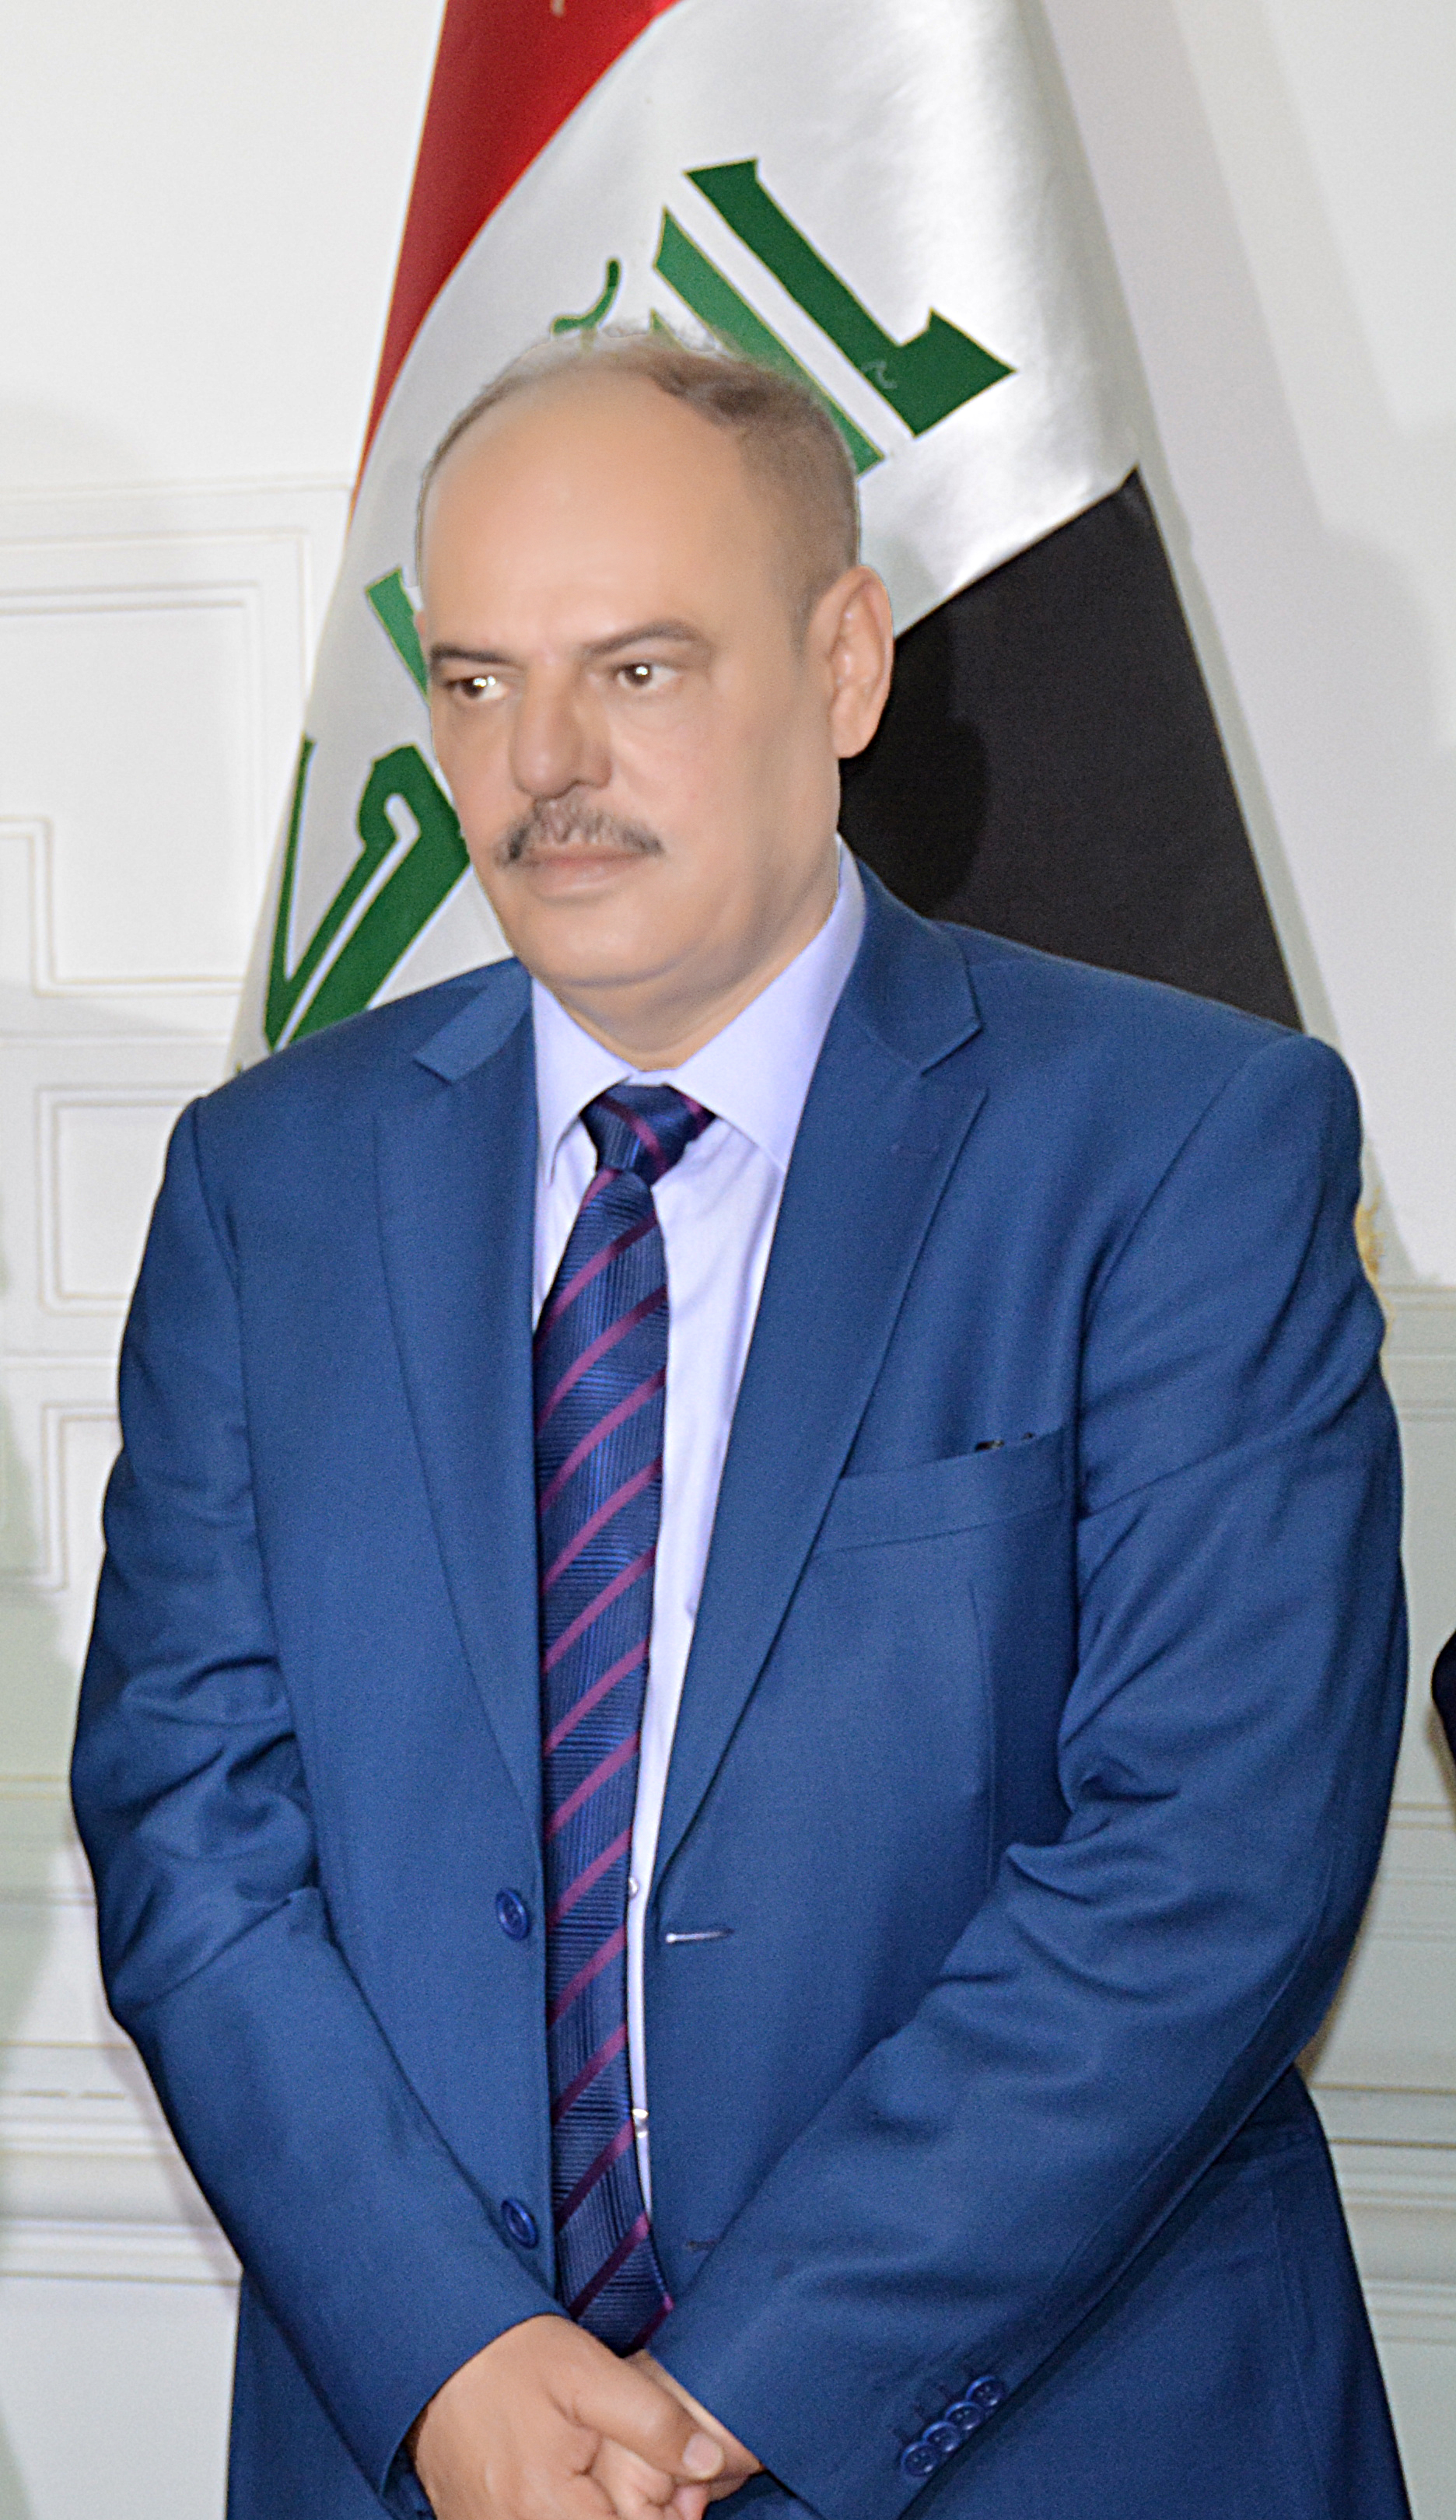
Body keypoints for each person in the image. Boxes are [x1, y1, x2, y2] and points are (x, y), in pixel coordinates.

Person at [72, 332, 1411, 2520]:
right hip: (431, 2444)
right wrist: (451, 2358)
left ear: (848, 663)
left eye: (640, 670)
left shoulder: (1185, 1144)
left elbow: (1212, 1859)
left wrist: (729, 2396)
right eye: (480, 680)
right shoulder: (265, 1182)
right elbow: (187, 1833)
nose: (545, 764)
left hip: (1062, 2441)